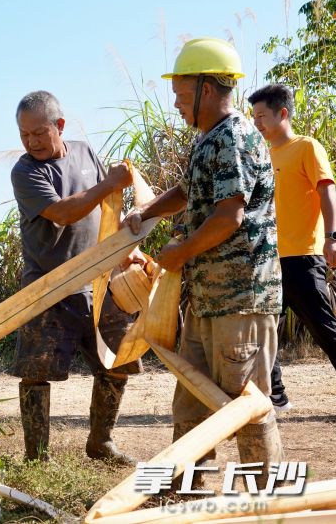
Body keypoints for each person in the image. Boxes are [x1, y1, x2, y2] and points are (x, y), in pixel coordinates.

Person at [124, 38, 284, 489]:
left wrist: (180, 252)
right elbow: (188, 193)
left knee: (246, 405)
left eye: (180, 93)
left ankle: (267, 501)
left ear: (207, 89)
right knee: (192, 401)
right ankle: (183, 492)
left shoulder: (234, 136)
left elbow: (229, 215)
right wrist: (146, 211)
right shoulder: (207, 141)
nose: (175, 103)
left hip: (241, 298)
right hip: (208, 298)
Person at [11, 90, 143, 465]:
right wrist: (109, 183)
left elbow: (106, 208)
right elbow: (63, 213)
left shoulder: (84, 152)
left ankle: (100, 442)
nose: (31, 142)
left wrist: (124, 246)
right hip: (47, 287)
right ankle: (36, 458)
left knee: (118, 362)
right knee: (36, 374)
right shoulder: (24, 171)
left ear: (60, 126)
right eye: (24, 135)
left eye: (39, 133)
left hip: (98, 283)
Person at [249, 83, 336, 413]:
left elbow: (327, 190)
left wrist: (332, 236)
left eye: (262, 116)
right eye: (253, 117)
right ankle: (276, 395)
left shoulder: (306, 148)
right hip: (268, 260)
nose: (257, 123)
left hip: (302, 256)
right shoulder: (263, 156)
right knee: (262, 329)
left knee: (325, 329)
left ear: (282, 113)